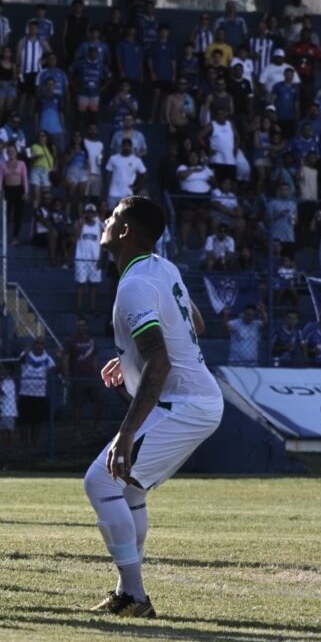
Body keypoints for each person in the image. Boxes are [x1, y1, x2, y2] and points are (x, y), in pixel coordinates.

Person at [85, 195, 223, 618]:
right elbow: (194, 324)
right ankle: (129, 594)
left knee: (101, 482)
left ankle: (136, 597)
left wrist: (125, 434)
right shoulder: (162, 267)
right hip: (195, 399)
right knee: (127, 489)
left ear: (124, 232)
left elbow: (160, 363)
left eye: (111, 218)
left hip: (186, 403)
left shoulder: (134, 285)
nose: (104, 223)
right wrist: (130, 358)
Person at [17, 338, 60, 453]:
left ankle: (33, 444)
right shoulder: (26, 355)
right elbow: (19, 362)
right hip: (25, 393)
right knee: (24, 421)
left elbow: (54, 370)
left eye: (41, 344)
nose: (39, 346)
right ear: (33, 345)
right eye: (37, 343)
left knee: (37, 421)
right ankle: (25, 444)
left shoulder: (47, 358)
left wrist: (58, 358)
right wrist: (25, 352)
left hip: (39, 394)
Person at [73, 203, 103, 313]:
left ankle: (93, 307)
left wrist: (100, 258)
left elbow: (101, 244)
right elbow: (75, 237)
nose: (89, 214)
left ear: (95, 213)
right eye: (87, 212)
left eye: (92, 212)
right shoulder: (79, 223)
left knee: (94, 285)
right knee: (80, 284)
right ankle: (79, 307)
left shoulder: (99, 225)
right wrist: (81, 224)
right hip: (81, 258)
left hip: (94, 259)